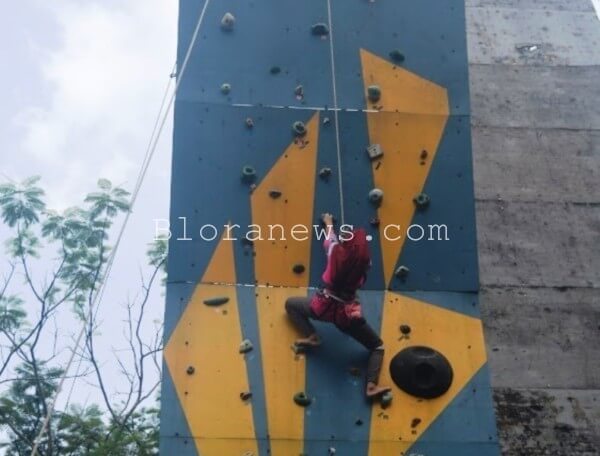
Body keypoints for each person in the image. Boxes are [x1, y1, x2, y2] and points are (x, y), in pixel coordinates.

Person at [285, 213, 391, 399]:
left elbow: (330, 238)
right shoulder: (364, 265)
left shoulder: (335, 252)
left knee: (291, 305)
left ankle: (312, 336)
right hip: (346, 317)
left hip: (323, 307)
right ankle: (371, 386)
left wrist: (328, 222)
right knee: (377, 347)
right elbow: (363, 257)